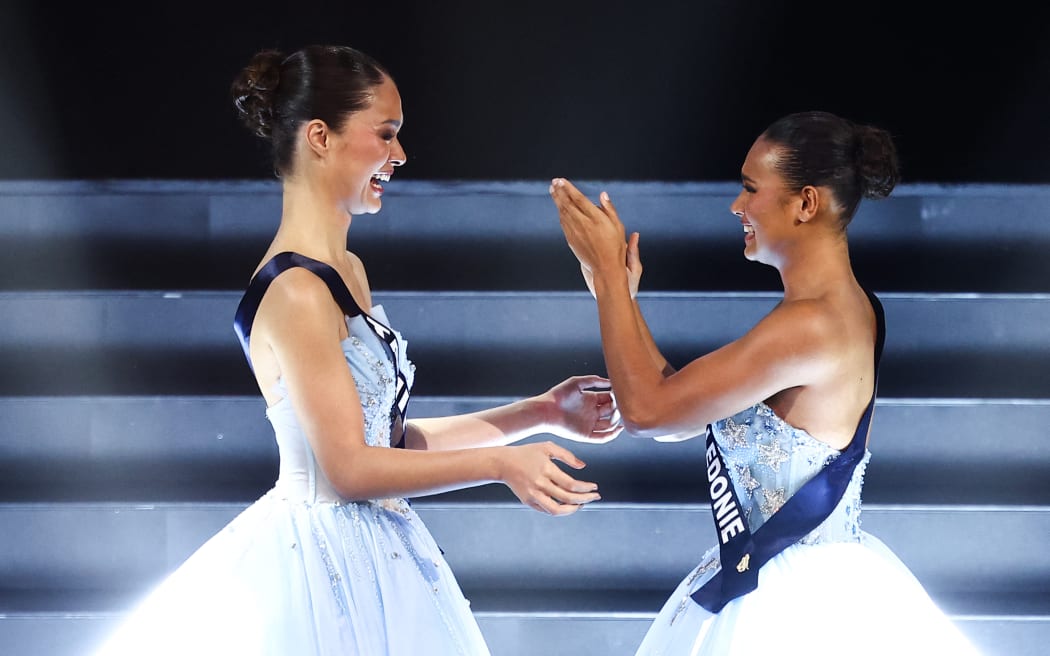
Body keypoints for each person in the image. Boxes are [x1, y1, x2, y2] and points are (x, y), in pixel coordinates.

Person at [93, 44, 622, 656]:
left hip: (373, 549)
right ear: (320, 136)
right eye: (386, 134)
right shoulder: (296, 290)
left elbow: (386, 446)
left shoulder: (345, 270)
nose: (399, 155)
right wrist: (501, 465)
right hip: (319, 564)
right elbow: (348, 469)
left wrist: (540, 412)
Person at [550, 111, 982, 655]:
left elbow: (647, 411)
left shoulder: (810, 324)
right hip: (817, 576)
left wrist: (612, 277)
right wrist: (614, 296)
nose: (737, 205)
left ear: (806, 203)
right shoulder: (844, 308)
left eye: (751, 188)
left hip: (795, 607)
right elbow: (680, 405)